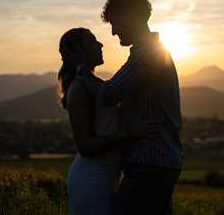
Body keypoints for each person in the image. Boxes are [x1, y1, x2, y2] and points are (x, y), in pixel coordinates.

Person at [80, 0, 183, 215]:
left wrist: (83, 75)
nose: (114, 31)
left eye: (115, 23)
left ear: (131, 17)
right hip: (160, 162)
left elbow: (108, 94)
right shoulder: (153, 52)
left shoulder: (147, 55)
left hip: (150, 163)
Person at [58, 27, 160, 215]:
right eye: (92, 41)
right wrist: (129, 133)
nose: (101, 44)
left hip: (106, 176)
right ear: (80, 51)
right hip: (92, 177)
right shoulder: (79, 90)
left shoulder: (95, 85)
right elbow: (85, 146)